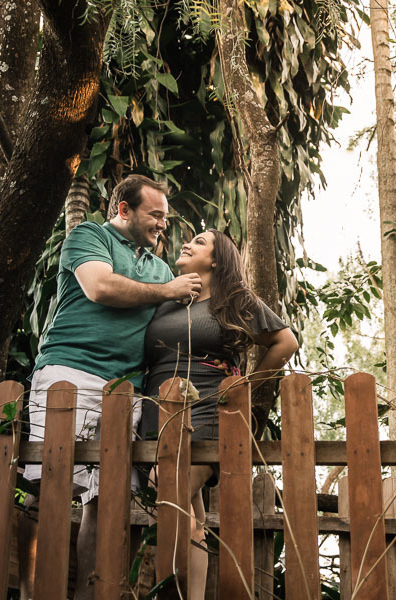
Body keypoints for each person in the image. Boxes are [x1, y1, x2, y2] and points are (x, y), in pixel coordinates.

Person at [19, 174, 203, 600]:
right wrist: (167, 290)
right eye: (155, 214)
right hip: (70, 374)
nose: (163, 224)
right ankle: (32, 594)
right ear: (124, 209)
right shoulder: (89, 237)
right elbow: (99, 287)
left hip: (125, 392)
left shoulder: (159, 268)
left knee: (104, 502)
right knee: (50, 486)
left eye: (165, 216)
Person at [141, 229, 298, 599]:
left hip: (209, 406)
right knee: (191, 514)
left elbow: (285, 341)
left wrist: (247, 385)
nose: (187, 243)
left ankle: (168, 591)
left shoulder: (235, 300)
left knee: (165, 489)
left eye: (199, 241)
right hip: (160, 407)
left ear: (215, 260)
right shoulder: (169, 299)